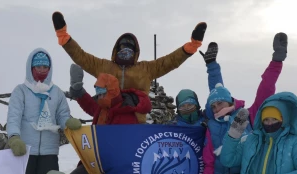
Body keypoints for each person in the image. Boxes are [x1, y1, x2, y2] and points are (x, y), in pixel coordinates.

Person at [198, 33, 288, 174]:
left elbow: (266, 89)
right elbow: (208, 162)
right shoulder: (211, 127)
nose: (217, 107)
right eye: (213, 104)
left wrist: (276, 61)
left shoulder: (248, 116)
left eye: (221, 102)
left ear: (230, 101)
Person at [52, 11, 207, 123]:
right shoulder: (104, 66)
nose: (125, 53)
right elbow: (81, 57)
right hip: (107, 122)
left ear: (135, 53)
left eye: (129, 50)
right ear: (116, 50)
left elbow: (170, 61)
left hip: (134, 124)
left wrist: (191, 46)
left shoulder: (146, 69)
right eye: (123, 50)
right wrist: (64, 37)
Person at [6, 49, 81, 174]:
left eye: (45, 67)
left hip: (49, 151)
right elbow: (14, 116)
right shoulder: (21, 91)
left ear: (50, 68)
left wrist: (67, 121)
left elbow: (62, 114)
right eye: (38, 67)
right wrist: (14, 137)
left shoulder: (56, 92)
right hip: (25, 151)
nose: (41, 70)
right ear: (31, 68)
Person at [66, 64, 152, 174]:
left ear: (111, 91)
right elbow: (91, 107)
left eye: (102, 93)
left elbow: (126, 146)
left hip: (117, 168)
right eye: (98, 93)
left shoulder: (126, 113)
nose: (99, 96)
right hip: (96, 163)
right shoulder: (103, 108)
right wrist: (79, 92)